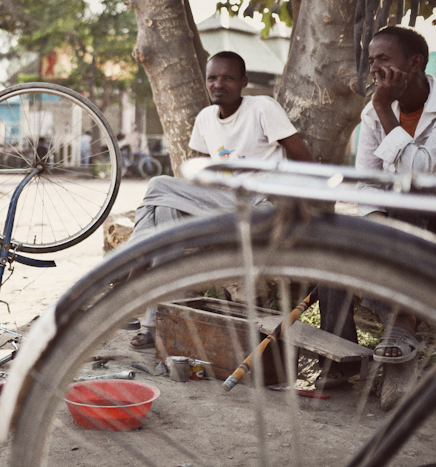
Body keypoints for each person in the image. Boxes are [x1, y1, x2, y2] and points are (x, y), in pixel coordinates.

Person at [128, 51, 314, 350]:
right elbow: (199, 175)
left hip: (263, 206)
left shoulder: (262, 108)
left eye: (228, 78)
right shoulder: (204, 118)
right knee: (164, 209)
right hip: (223, 204)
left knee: (157, 183)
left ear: (244, 82)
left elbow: (305, 160)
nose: (218, 84)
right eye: (212, 78)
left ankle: (131, 269)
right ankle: (153, 325)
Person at [317, 26, 433, 387]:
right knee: (333, 241)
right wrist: (377, 228)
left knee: (408, 199)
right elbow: (368, 182)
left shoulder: (378, 109)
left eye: (383, 59)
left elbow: (420, 172)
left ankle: (401, 324)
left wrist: (385, 108)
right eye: (371, 61)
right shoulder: (372, 113)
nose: (374, 69)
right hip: (395, 215)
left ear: (415, 63)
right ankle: (341, 357)